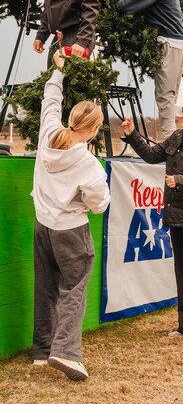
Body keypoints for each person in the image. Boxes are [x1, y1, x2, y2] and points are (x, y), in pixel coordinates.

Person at [121, 85, 183, 347]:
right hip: (175, 213)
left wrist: (180, 180)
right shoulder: (177, 137)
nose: (182, 114)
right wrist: (132, 135)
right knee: (182, 271)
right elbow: (153, 155)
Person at [31, 49, 110, 381]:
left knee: (46, 286)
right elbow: (99, 204)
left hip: (43, 226)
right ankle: (66, 353)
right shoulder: (89, 162)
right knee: (74, 289)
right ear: (92, 131)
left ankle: (41, 351)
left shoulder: (49, 131)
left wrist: (58, 71)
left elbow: (51, 100)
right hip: (71, 232)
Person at [117, 0, 183, 139]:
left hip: (169, 42)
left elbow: (128, 5)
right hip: (178, 43)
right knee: (170, 97)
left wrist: (118, 3)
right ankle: (177, 140)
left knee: (164, 97)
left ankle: (170, 146)